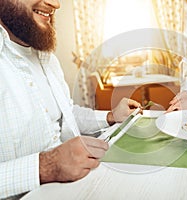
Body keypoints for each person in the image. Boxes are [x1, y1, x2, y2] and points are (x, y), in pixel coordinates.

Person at [0, 0, 141, 199]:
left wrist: (110, 116)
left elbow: (66, 114)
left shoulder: (46, 59)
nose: (55, 4)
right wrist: (46, 166)